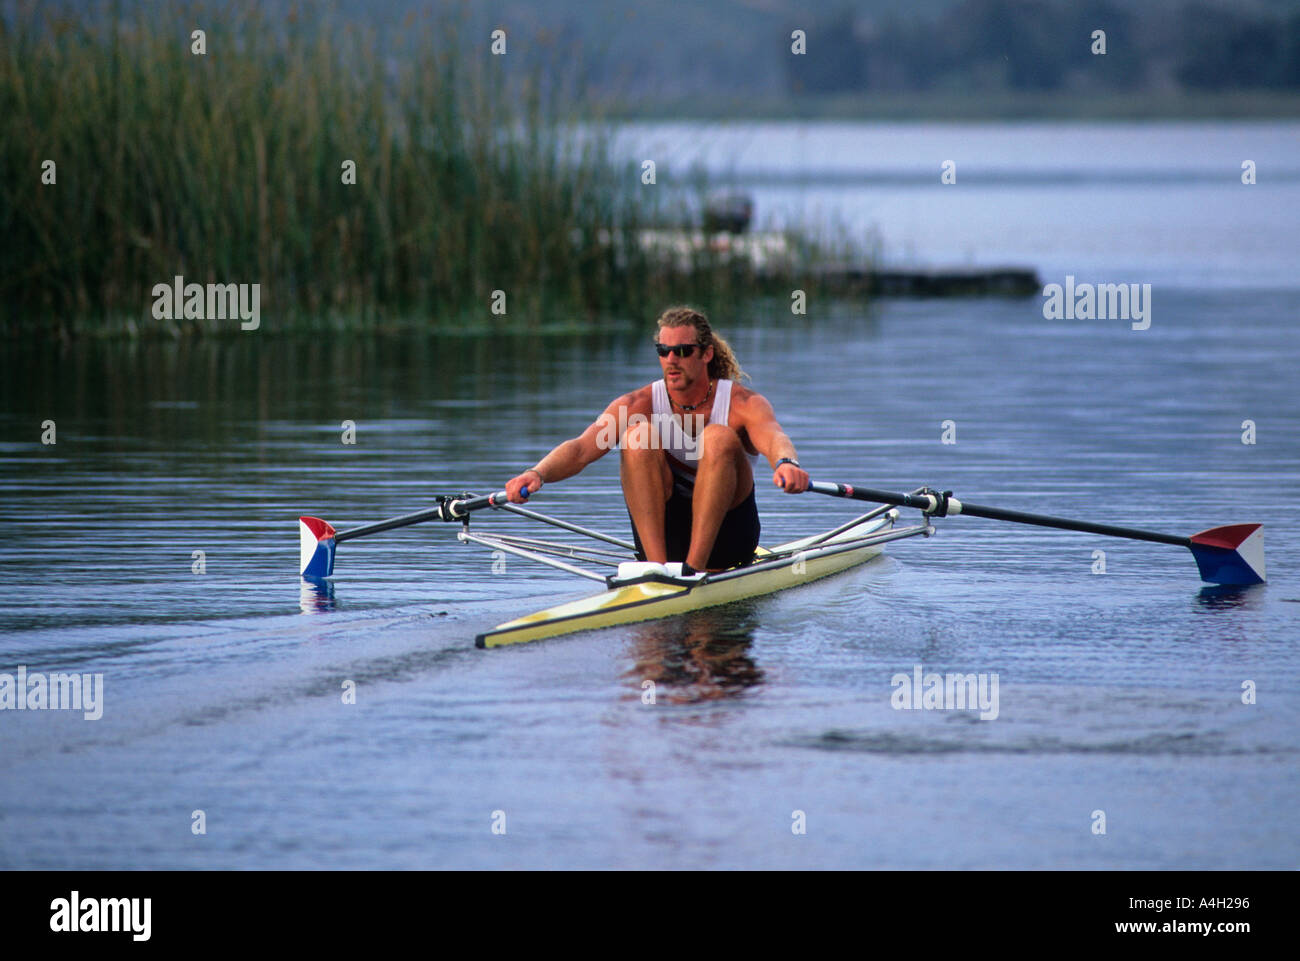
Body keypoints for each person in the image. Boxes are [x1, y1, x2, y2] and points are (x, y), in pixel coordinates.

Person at [504, 306, 810, 572]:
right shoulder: (638, 404)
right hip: (665, 540)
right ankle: (657, 571)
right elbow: (582, 449)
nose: (672, 359)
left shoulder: (742, 403)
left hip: (729, 539)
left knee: (717, 437)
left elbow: (774, 437)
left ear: (706, 354)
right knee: (638, 436)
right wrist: (536, 473)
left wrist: (786, 463)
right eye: (663, 351)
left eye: (683, 351)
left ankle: (693, 570)